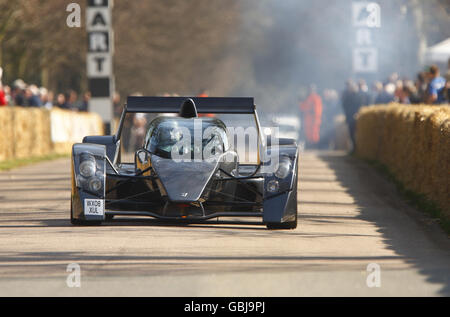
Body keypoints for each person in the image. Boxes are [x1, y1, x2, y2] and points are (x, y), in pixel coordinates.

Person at [341, 80, 360, 147]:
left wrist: (357, 113)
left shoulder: (358, 96)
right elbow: (345, 105)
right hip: (350, 117)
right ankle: (354, 146)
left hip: (356, 116)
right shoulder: (347, 95)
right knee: (351, 132)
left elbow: (359, 106)